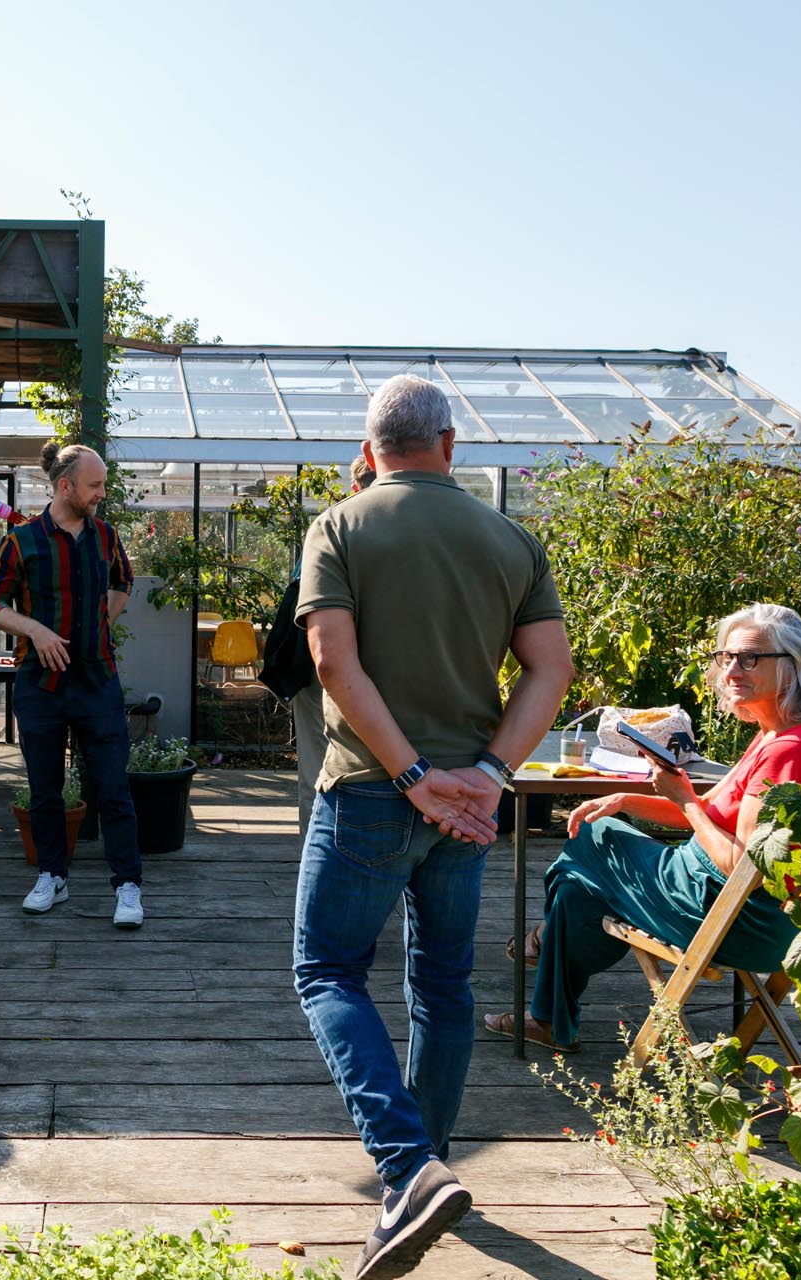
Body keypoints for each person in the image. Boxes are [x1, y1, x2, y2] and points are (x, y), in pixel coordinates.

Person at [294, 376, 573, 1280]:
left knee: (328, 970)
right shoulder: (510, 538)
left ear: (370, 449)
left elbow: (333, 663)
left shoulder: (340, 527)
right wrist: (490, 774)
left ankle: (410, 1167)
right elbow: (549, 670)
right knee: (443, 987)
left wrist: (411, 774)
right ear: (451, 446)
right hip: (469, 807)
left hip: (376, 790)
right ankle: (426, 1170)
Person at [484, 602, 801, 1054]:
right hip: (742, 908)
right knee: (579, 892)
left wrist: (681, 800)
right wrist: (625, 799)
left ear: (794, 668)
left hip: (735, 918)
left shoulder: (792, 752)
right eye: (727, 657)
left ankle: (541, 946)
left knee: (595, 839)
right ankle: (546, 1017)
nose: (734, 669)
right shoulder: (788, 734)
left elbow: (743, 863)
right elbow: (706, 811)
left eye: (752, 658)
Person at [0, 442, 145, 929]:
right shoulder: (21, 541)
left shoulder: (106, 537)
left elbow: (123, 582)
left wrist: (101, 621)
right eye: (94, 485)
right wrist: (34, 629)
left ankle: (127, 886)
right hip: (40, 683)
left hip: (97, 678)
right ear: (64, 486)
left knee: (114, 787)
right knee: (45, 788)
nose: (101, 493)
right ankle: (52, 876)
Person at [262, 455, 376, 834]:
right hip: (366, 670)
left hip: (314, 667)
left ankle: (314, 861)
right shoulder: (402, 530)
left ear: (355, 486)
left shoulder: (329, 528)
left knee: (316, 762)